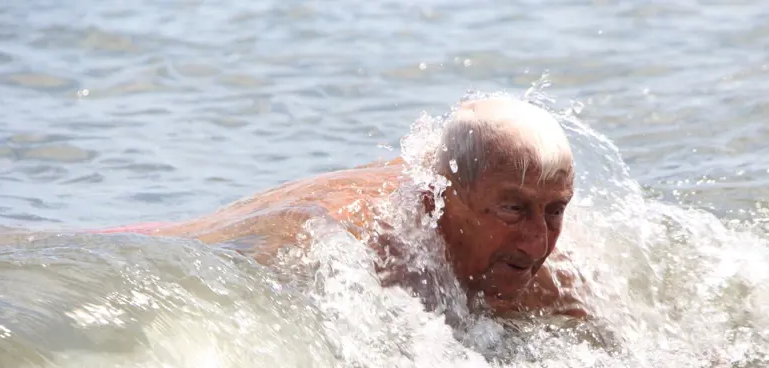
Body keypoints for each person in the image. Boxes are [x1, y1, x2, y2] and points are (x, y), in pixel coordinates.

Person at [113, 98, 587, 319]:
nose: (537, 242)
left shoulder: (550, 270)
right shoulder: (359, 256)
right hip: (164, 244)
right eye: (512, 210)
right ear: (436, 201)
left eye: (554, 211)